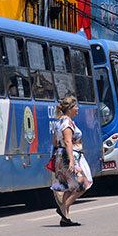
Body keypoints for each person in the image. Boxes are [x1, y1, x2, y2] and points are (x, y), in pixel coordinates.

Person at [51, 96, 92, 226]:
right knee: (84, 183)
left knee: (69, 186)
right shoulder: (67, 123)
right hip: (70, 156)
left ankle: (65, 218)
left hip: (61, 155)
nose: (77, 108)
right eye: (75, 106)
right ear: (69, 109)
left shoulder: (59, 122)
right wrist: (71, 162)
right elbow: (68, 141)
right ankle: (63, 208)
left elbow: (54, 142)